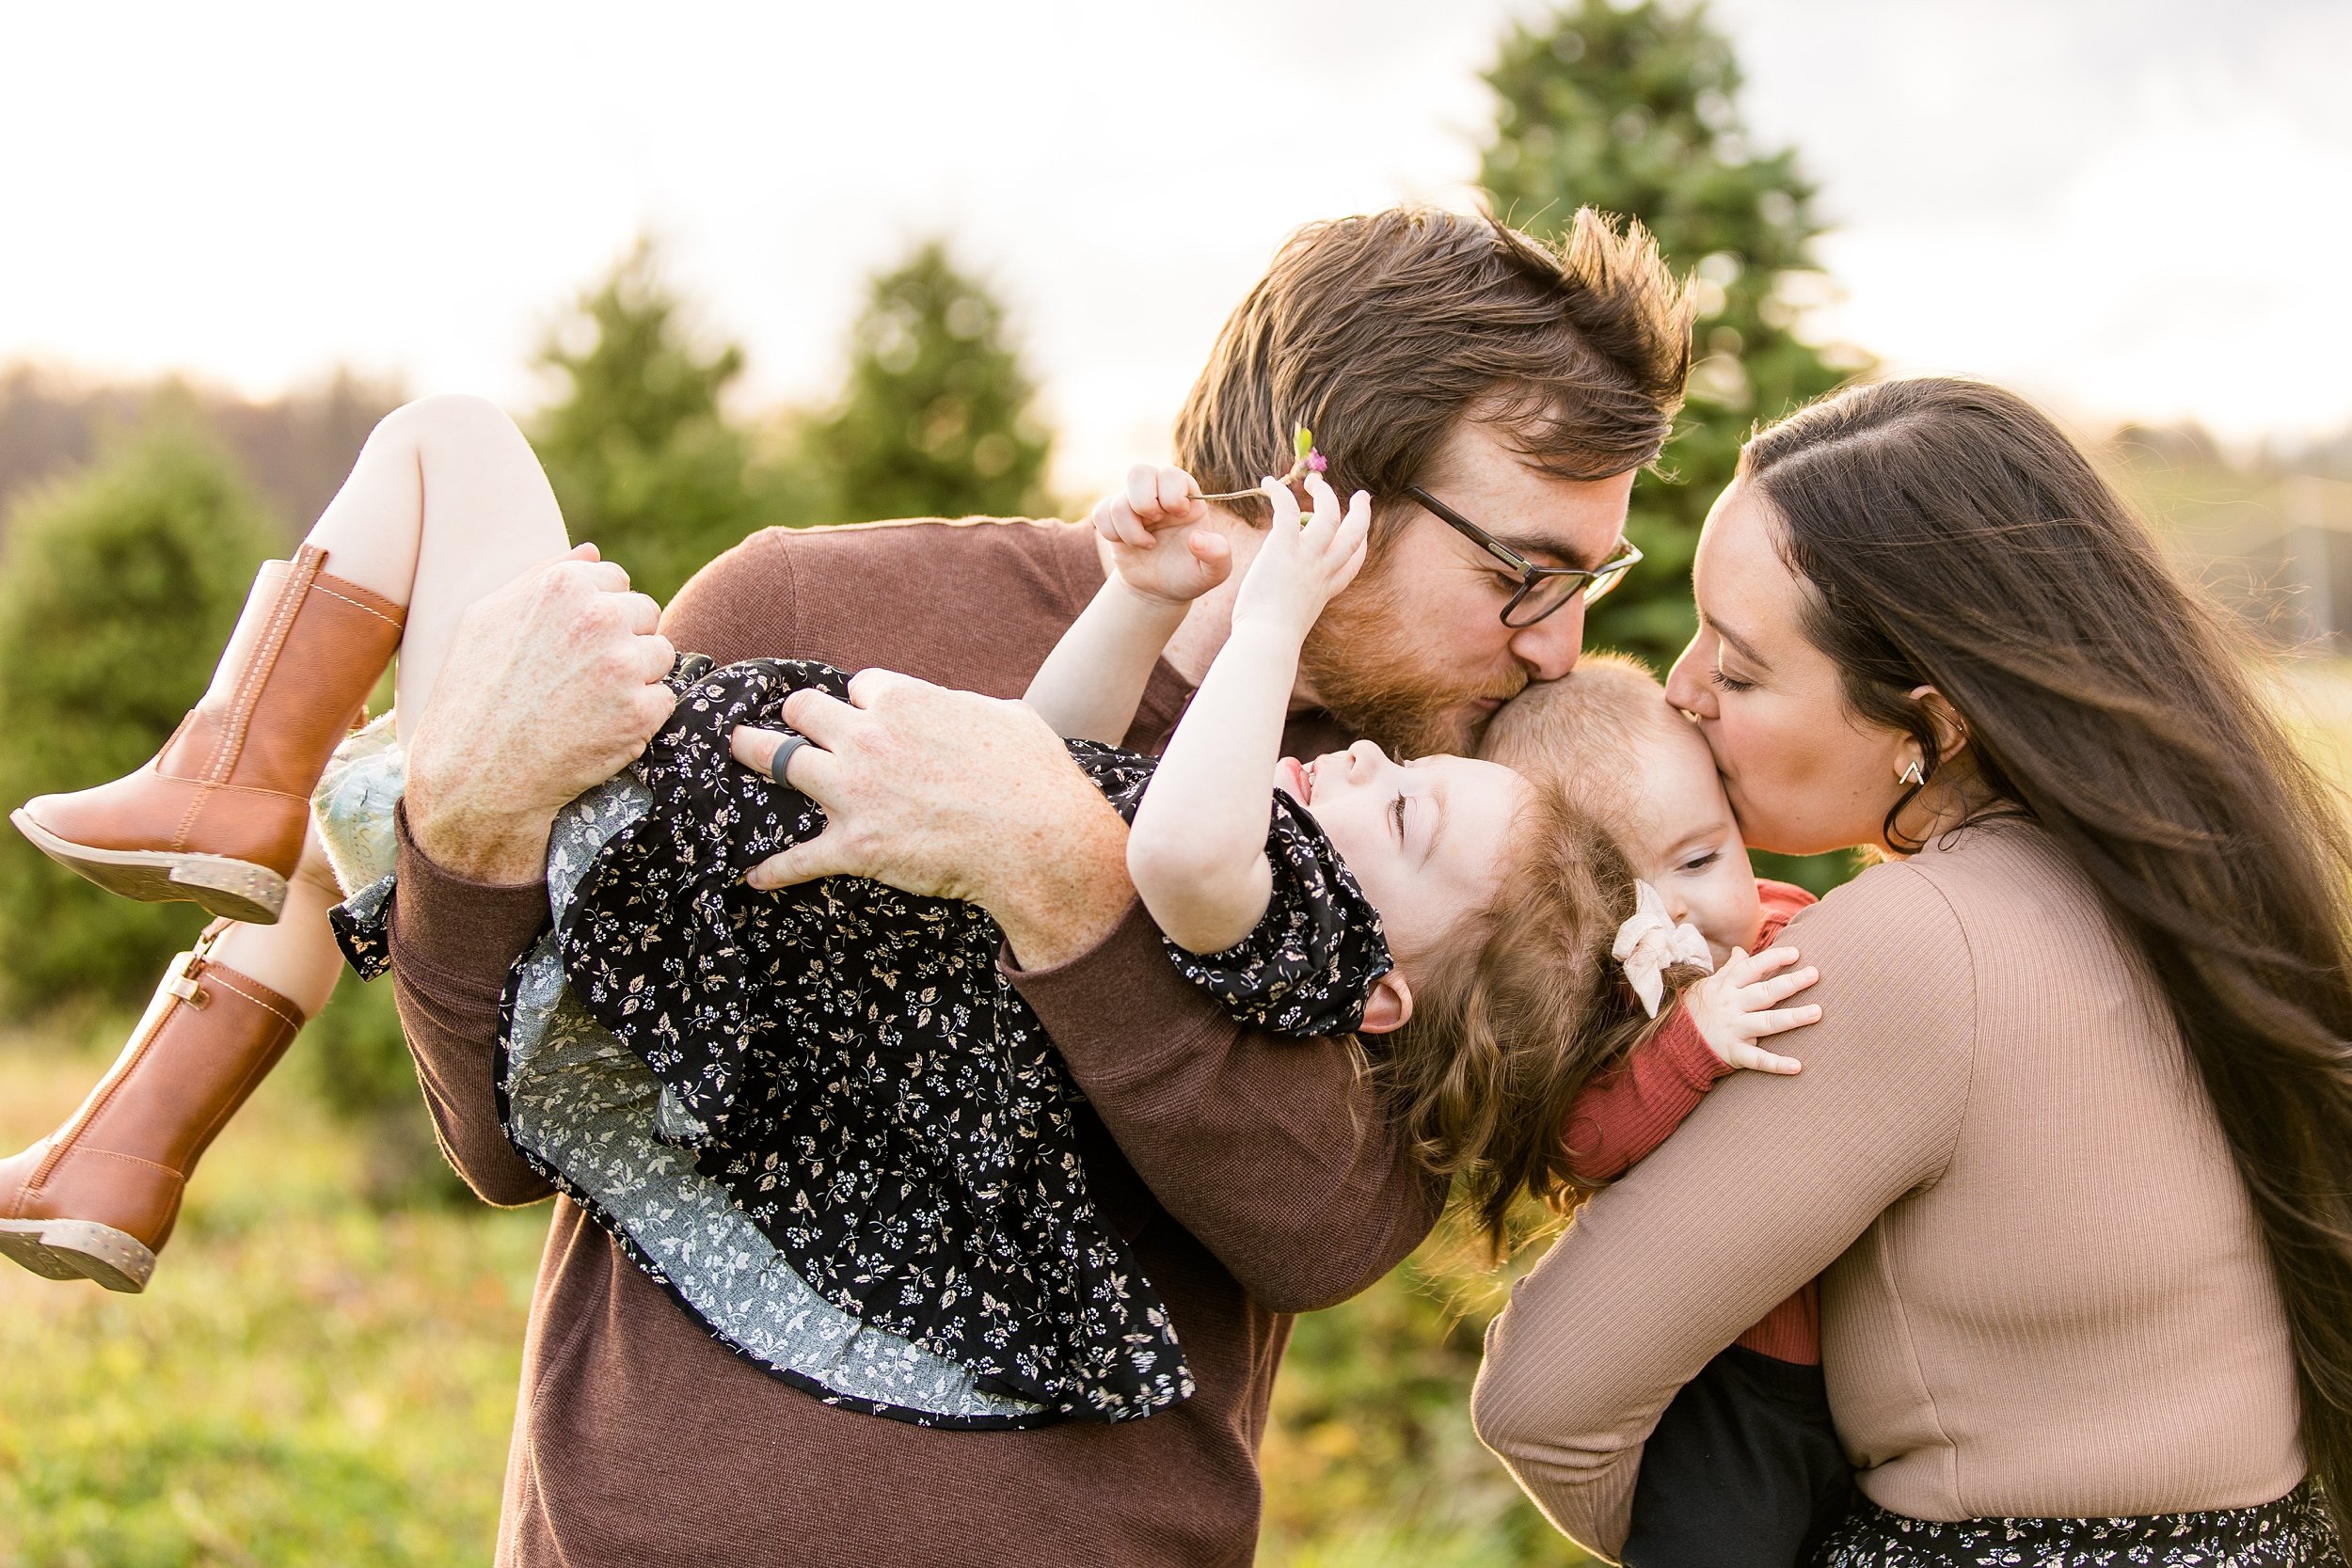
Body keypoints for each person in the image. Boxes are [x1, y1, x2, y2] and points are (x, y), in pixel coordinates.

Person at [2, 205, 1694, 1566]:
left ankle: (220, 815)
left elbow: (1338, 1220)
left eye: (1590, 576)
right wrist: (470, 828)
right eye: (1525, 570)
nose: (1557, 635)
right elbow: (512, 1130)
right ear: (1329, 482)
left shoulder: (1429, 821)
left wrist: (1059, 879)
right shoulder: (826, 595)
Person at [1471, 378, 2352, 1565]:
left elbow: (1546, 1404)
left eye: (1736, 671)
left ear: (1923, 728)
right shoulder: (2188, 886)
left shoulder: (1911, 948)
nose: (1677, 688)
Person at [1486, 657, 1851, 1567]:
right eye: (1621, 904)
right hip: (1736, 1378)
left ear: (1737, 824)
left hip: (1864, 1354)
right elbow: (1585, 1140)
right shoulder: (1615, 1023)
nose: (1678, 914)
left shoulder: (1792, 926)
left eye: (1700, 857)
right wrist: (1691, 1039)